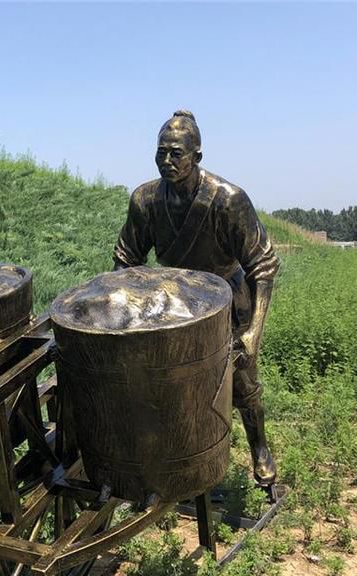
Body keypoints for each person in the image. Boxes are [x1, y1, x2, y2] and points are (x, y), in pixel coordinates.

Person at [113, 110, 279, 486]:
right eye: (161, 153)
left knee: (242, 385)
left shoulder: (228, 200)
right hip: (174, 304)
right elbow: (126, 259)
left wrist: (254, 331)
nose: (167, 162)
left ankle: (260, 448)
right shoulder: (145, 200)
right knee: (175, 385)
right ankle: (184, 460)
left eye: (176, 154)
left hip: (227, 300)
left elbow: (264, 266)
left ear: (197, 156)